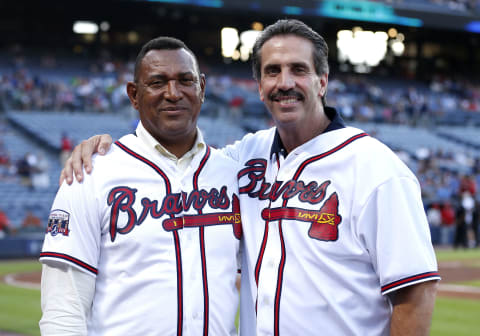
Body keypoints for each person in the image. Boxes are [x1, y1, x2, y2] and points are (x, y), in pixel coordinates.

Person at [61, 19, 440, 335]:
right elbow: (180, 158)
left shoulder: (377, 169)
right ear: (259, 87)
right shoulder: (243, 158)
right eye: (272, 71)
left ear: (322, 81)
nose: (284, 82)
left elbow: (415, 295)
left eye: (298, 70)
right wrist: (104, 148)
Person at [40, 37, 242, 335]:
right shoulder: (91, 173)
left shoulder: (234, 175)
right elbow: (63, 305)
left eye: (185, 80)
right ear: (134, 95)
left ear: (202, 88)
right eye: (157, 82)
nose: (173, 94)